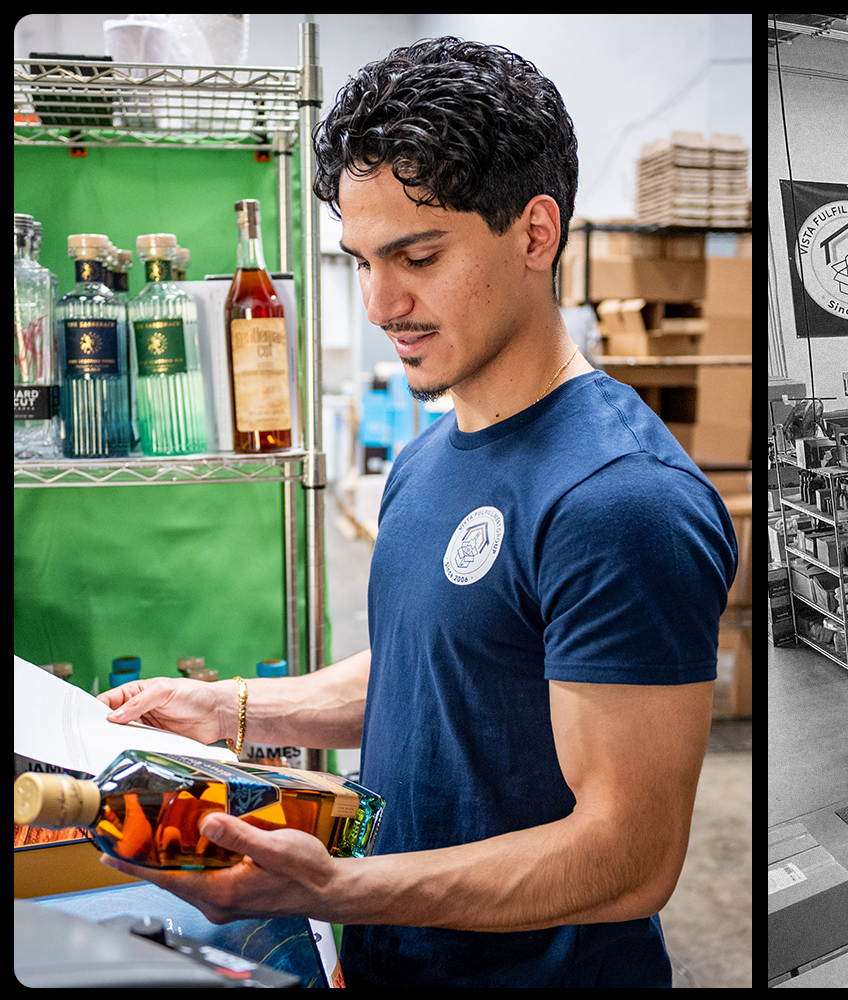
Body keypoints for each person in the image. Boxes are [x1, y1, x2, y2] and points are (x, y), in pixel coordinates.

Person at [95, 36, 737, 987]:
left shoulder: (620, 502)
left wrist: (338, 889)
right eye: (360, 260)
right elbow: (441, 665)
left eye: (418, 255)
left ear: (535, 233)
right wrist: (230, 708)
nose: (380, 304)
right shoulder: (431, 449)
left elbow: (630, 858)